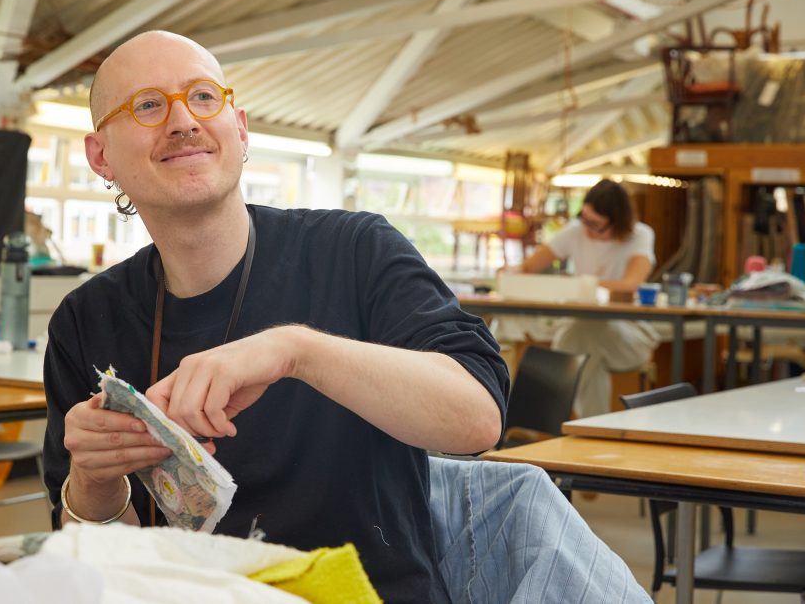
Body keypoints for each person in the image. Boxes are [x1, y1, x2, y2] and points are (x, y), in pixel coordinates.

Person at [43, 31, 649, 603]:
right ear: (101, 157)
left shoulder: (355, 251)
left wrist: (296, 352)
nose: (183, 119)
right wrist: (95, 483)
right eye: (147, 105)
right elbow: (100, 561)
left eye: (204, 96)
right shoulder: (86, 321)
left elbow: (478, 418)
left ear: (241, 128)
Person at [515, 179, 660, 416]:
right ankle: (593, 428)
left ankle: (541, 419)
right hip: (583, 329)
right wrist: (511, 273)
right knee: (588, 354)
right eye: (585, 220)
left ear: (618, 223)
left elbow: (631, 285)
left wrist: (579, 285)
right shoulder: (575, 231)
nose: (587, 229)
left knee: (578, 335)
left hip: (629, 332)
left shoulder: (640, 235)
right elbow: (528, 267)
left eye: (596, 225)